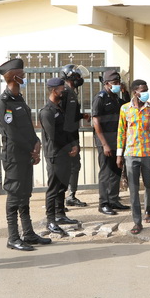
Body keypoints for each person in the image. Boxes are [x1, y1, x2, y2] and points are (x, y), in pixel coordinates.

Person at [0, 59, 51, 252]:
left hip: (26, 152)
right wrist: (31, 148)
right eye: (22, 73)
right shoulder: (4, 102)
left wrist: (37, 143)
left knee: (25, 194)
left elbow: (27, 126)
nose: (25, 76)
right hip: (14, 156)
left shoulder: (20, 99)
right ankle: (13, 237)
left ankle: (28, 233)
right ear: (13, 76)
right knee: (14, 195)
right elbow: (12, 133)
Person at [117, 79, 150, 234]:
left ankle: (148, 210)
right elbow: (121, 133)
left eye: (146, 90)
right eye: (142, 90)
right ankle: (137, 222)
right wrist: (119, 154)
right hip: (131, 154)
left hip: (149, 153)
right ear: (135, 92)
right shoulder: (125, 109)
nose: (145, 93)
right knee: (133, 189)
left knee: (149, 185)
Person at [39, 78, 77, 237]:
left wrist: (74, 145)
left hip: (65, 153)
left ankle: (60, 215)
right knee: (53, 188)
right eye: (62, 88)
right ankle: (51, 220)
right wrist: (70, 147)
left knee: (62, 185)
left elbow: (66, 130)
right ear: (54, 90)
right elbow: (53, 135)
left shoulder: (59, 108)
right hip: (55, 154)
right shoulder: (46, 111)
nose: (64, 91)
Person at [92, 70, 130, 215]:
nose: (117, 85)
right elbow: (96, 121)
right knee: (106, 172)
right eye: (115, 83)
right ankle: (103, 203)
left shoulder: (116, 98)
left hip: (117, 140)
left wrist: (125, 91)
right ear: (107, 83)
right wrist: (104, 144)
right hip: (105, 141)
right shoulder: (100, 98)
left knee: (116, 170)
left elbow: (127, 106)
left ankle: (114, 200)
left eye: (119, 83)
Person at [60, 64, 90, 208]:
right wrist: (71, 142)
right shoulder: (65, 92)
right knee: (67, 167)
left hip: (72, 135)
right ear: (70, 76)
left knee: (74, 166)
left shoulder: (71, 91)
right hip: (68, 137)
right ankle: (61, 198)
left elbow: (71, 115)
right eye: (77, 75)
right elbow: (64, 118)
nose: (80, 78)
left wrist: (81, 115)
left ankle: (71, 196)